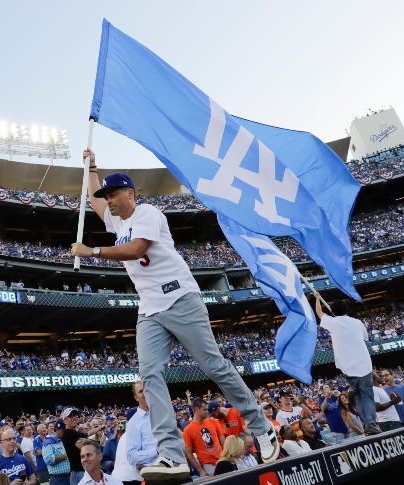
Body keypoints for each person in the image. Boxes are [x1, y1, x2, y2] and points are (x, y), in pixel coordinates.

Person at [71, 149, 279, 482]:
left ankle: (262, 426)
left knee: (213, 365)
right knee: (150, 377)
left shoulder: (147, 213)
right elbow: (94, 204)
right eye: (106, 195)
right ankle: (170, 454)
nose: (107, 200)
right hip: (150, 309)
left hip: (180, 297)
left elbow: (136, 249)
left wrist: (92, 251)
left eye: (113, 194)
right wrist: (92, 167)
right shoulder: (115, 219)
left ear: (130, 193)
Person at [314, 293, 380, 435]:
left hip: (347, 367)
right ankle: (370, 424)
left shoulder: (333, 322)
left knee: (358, 396)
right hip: (364, 364)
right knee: (366, 396)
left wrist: (318, 297)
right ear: (346, 310)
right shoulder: (357, 322)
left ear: (333, 311)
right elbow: (365, 338)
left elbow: (319, 313)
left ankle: (367, 423)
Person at [183, 397, 224, 477]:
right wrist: (200, 470)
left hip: (222, 460)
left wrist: (227, 457)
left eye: (207, 409)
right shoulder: (188, 430)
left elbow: (222, 439)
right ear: (196, 410)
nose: (207, 412)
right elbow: (188, 452)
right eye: (204, 410)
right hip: (208, 465)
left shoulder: (212, 421)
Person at [42, 420, 71, 485]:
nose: (65, 432)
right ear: (57, 429)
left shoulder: (65, 440)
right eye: (63, 430)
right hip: (58, 479)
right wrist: (66, 455)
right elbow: (49, 460)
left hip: (70, 476)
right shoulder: (49, 442)